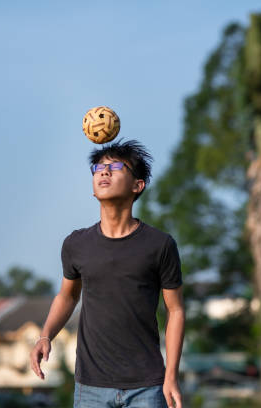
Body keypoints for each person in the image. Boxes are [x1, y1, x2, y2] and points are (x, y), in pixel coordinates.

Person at [29, 140, 185, 408]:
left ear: (138, 185)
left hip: (146, 385)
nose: (104, 172)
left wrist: (171, 376)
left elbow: (176, 311)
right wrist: (46, 336)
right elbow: (67, 297)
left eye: (115, 166)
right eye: (98, 167)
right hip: (90, 386)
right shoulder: (76, 244)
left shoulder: (160, 245)